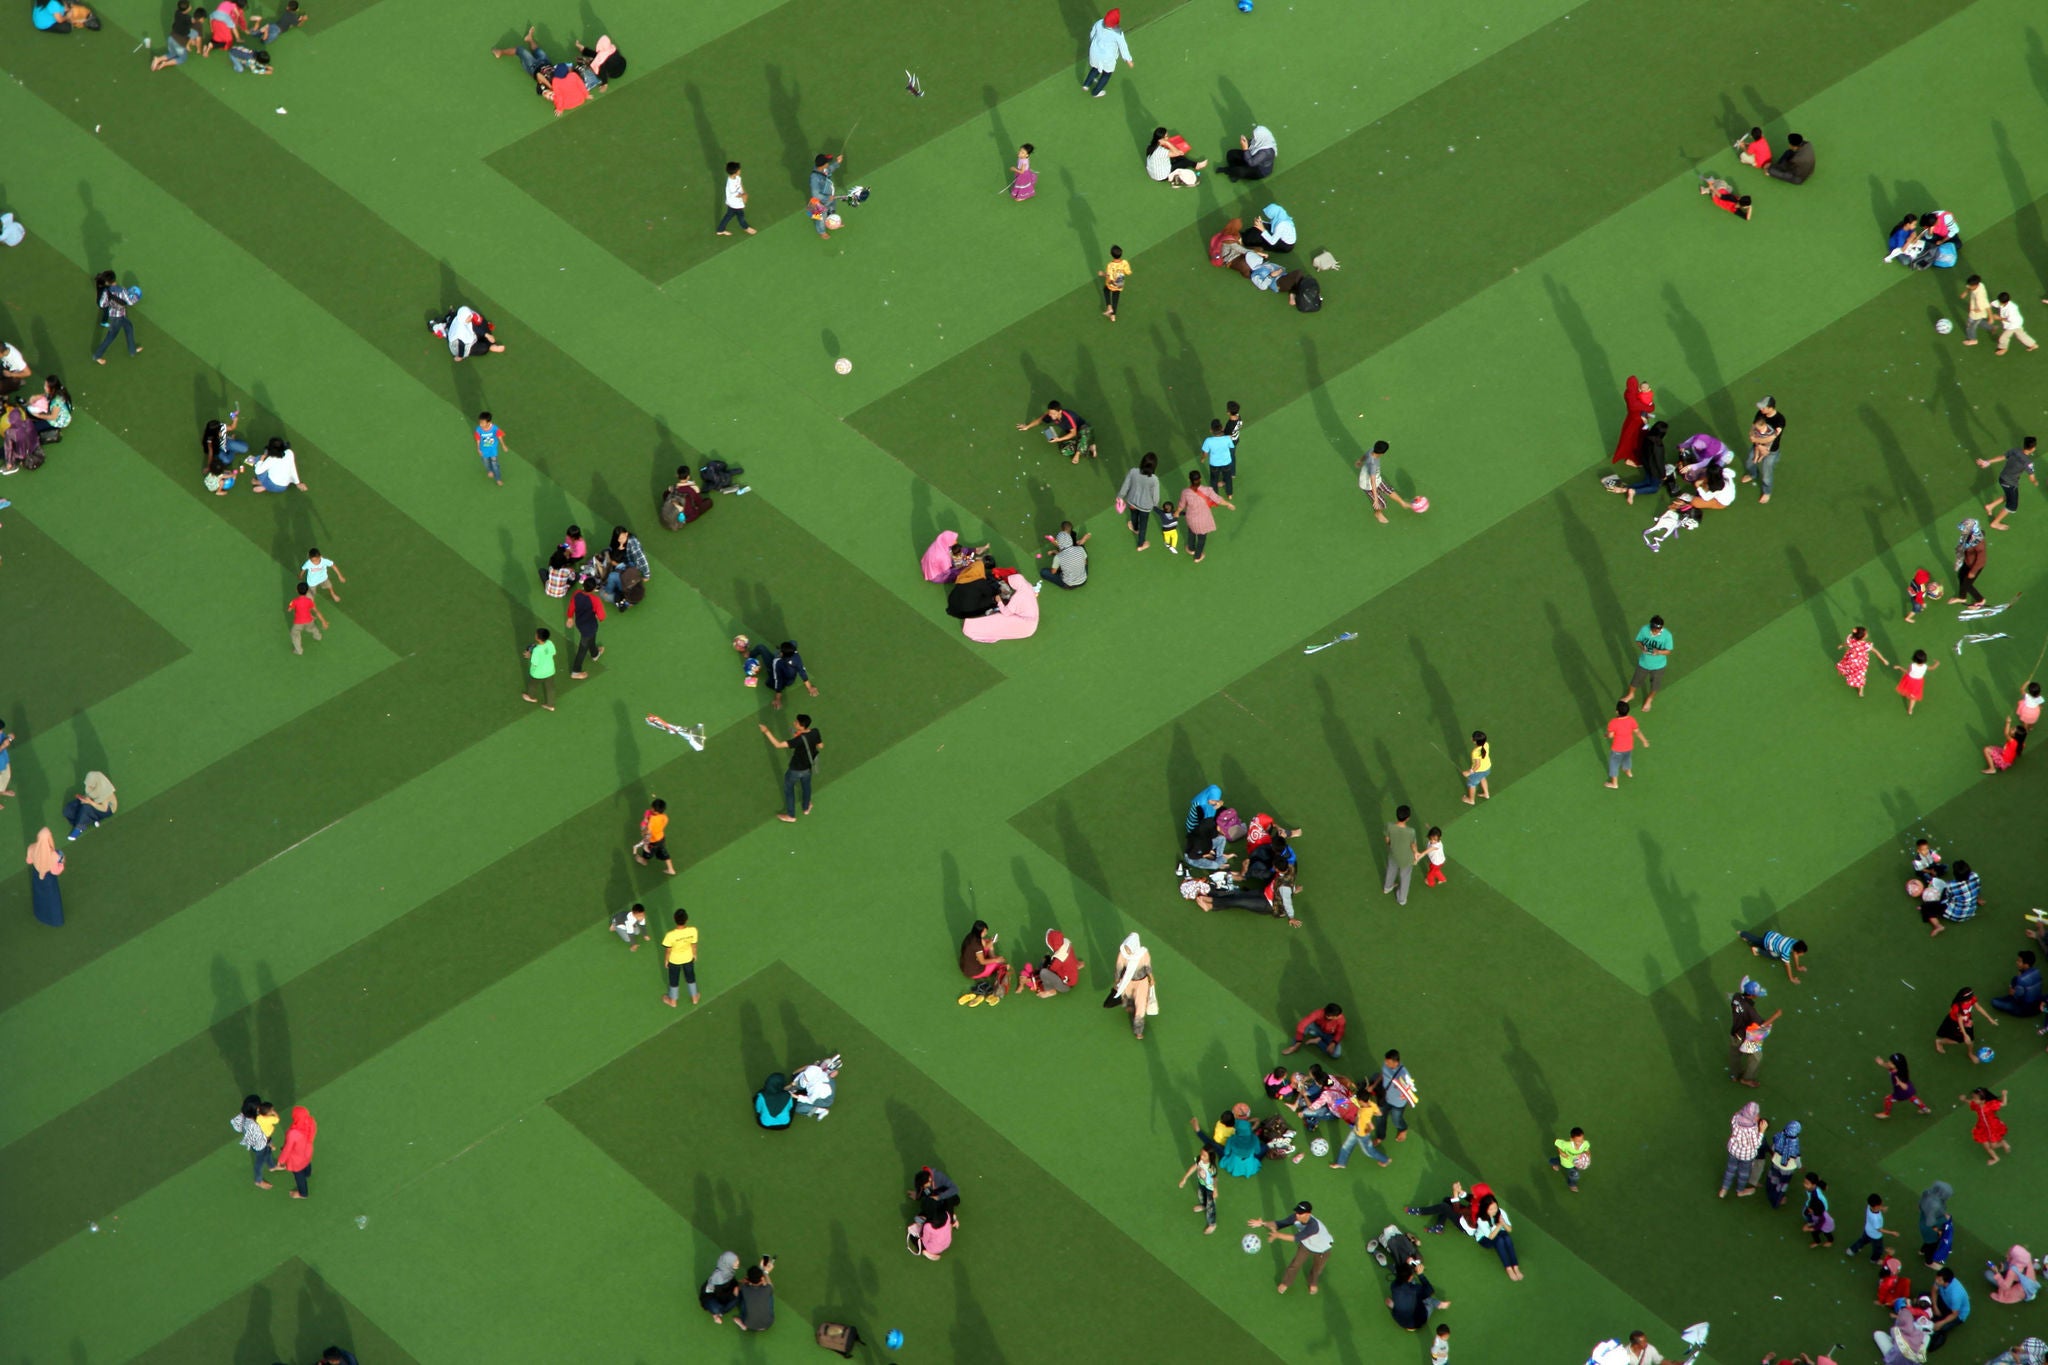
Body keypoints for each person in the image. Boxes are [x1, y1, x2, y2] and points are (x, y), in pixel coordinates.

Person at [1250, 1201, 1335, 1295]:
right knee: (1295, 1264)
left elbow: (1296, 1237)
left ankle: (1313, 1282)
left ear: (1308, 1214)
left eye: (1300, 1213)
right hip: (1306, 1245)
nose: (1297, 1215)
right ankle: (1286, 1283)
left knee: (1317, 1268)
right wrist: (1262, 1223)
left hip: (1322, 1248)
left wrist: (1278, 1235)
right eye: (1297, 1212)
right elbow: (1280, 1224)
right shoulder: (1295, 1217)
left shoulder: (1313, 1226)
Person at [760, 714, 822, 822]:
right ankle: (806, 807)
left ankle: (791, 815)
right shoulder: (815, 732)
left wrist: (766, 731)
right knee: (806, 786)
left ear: (802, 726)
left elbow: (778, 745)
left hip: (795, 770)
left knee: (789, 790)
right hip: (808, 768)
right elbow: (820, 746)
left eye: (796, 722)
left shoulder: (798, 740)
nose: (794, 723)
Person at [1978, 437, 2037, 531]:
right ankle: (1995, 523)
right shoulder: (2028, 462)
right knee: (2012, 506)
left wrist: (1988, 461)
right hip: (2010, 483)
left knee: (2009, 495)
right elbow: (2032, 477)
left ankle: (1990, 506)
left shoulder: (2015, 450)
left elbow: (2002, 457)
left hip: (2002, 478)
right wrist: (2035, 482)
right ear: (2033, 448)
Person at [1175, 468, 1233, 562]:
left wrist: (1177, 512)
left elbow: (1181, 506)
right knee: (1201, 539)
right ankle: (1197, 557)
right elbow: (1218, 499)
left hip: (1191, 519)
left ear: (1190, 480)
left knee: (1191, 533)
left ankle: (1191, 549)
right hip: (1203, 520)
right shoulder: (1207, 490)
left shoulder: (1185, 492)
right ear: (1200, 479)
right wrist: (1228, 504)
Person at [1465, 1184, 1522, 1280]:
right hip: (1484, 1239)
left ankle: (1515, 1267)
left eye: (1495, 1208)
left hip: (1498, 1231)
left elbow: (1509, 1230)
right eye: (1491, 1209)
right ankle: (1508, 1268)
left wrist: (1503, 1223)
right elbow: (1490, 1236)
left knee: (1507, 1238)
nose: (1494, 1211)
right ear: (1485, 1209)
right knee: (1499, 1240)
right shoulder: (1481, 1219)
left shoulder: (1501, 1212)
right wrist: (1499, 1225)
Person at [1015, 398, 1096, 462]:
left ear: (1060, 411)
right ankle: (1088, 447)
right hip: (1074, 435)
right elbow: (1039, 420)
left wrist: (1059, 439)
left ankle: (1078, 453)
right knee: (1064, 450)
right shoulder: (1050, 415)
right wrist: (1027, 426)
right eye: (1050, 413)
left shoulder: (1068, 417)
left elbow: (1073, 433)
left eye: (1053, 413)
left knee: (1083, 432)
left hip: (1084, 430)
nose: (1051, 415)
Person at [1355, 438, 1413, 523]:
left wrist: (1360, 460)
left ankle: (1402, 503)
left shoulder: (1372, 450)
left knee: (1388, 490)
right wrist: (1375, 499)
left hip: (1376, 479)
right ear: (1382, 453)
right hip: (1368, 485)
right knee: (1381, 503)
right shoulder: (1373, 464)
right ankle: (1378, 513)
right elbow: (1372, 481)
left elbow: (1365, 455)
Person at [1111, 932, 1155, 1040]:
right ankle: (1129, 1006)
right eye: (1126, 948)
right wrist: (1117, 981)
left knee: (1140, 1006)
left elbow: (1147, 967)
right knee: (1128, 996)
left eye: (1129, 948)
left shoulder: (1143, 954)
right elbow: (1119, 968)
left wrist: (1151, 978)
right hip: (1128, 981)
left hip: (1142, 982)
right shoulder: (1122, 954)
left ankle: (1138, 1030)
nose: (1127, 951)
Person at [1744, 396, 1788, 502]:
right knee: (1749, 463)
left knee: (1766, 475)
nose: (1761, 409)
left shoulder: (1780, 420)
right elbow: (1753, 428)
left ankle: (1767, 492)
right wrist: (1756, 442)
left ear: (1770, 408)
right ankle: (1753, 474)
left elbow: (1772, 437)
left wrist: (1756, 441)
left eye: (1763, 407)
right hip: (1757, 445)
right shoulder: (1760, 414)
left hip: (1771, 451)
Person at [230, 1096, 279, 1190]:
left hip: (259, 1142)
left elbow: (236, 1125)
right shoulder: (254, 1125)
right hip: (260, 1145)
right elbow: (262, 1139)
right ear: (257, 1109)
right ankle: (258, 1181)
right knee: (259, 1163)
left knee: (268, 1153)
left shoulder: (243, 1116)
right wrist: (269, 1143)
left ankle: (272, 1166)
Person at [1720, 1101, 1767, 1197]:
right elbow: (1756, 1144)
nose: (1758, 1116)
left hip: (1733, 1151)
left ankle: (1724, 1189)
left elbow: (1735, 1115)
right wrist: (1761, 1131)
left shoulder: (1736, 1119)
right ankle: (1740, 1191)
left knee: (1730, 1170)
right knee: (1743, 1173)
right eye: (1756, 1114)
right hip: (1746, 1156)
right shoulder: (1752, 1129)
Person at [1082, 8, 1132, 97]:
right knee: (1106, 74)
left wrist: (1092, 42)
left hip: (1094, 52)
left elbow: (1092, 34)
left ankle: (1086, 84)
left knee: (1094, 68)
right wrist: (1128, 60)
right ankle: (1095, 92)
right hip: (1107, 58)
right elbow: (1123, 47)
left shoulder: (1099, 23)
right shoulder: (1118, 33)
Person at [92, 271, 140, 364]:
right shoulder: (122, 290)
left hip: (114, 315)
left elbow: (102, 304)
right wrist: (136, 297)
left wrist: (110, 303)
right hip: (119, 318)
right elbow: (130, 302)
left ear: (107, 282)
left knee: (129, 328)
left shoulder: (106, 291)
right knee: (110, 337)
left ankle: (132, 350)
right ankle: (97, 356)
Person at [1117, 451, 1162, 549]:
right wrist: (1155, 504)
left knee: (1133, 515)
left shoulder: (1133, 471)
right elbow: (1155, 496)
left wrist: (1120, 496)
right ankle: (1141, 544)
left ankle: (1134, 527)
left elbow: (1126, 485)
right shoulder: (1154, 479)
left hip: (1132, 502)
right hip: (1146, 507)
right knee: (1144, 525)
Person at [957, 919, 1009, 1002]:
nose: (986, 933)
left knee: (988, 942)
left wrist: (991, 942)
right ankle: (998, 987)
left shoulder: (970, 936)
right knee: (1000, 965)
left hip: (965, 965)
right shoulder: (977, 946)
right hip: (973, 971)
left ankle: (993, 957)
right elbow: (982, 962)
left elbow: (984, 946)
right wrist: (996, 960)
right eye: (984, 932)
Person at [1934, 987, 1996, 1056]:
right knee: (1958, 1040)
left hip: (1967, 1020)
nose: (1970, 1001)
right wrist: (1965, 1034)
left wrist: (1989, 1018)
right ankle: (1939, 1042)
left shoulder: (1972, 999)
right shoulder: (1957, 1007)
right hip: (1956, 1023)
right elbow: (1959, 1020)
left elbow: (1978, 1007)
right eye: (1968, 1000)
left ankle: (1970, 1053)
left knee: (1971, 1039)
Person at [1023, 928, 1083, 998]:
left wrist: (1030, 979)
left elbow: (1049, 971)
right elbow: (1071, 954)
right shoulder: (1066, 942)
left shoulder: (1058, 960)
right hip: (1072, 977)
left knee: (1044, 972)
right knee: (1059, 963)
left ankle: (1050, 990)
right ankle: (1076, 965)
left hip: (1065, 986)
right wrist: (1076, 963)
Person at [271, 1105, 316, 1198]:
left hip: (296, 1158)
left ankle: (303, 1193)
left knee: (298, 1175)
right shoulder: (311, 1121)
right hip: (307, 1150)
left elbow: (287, 1149)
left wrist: (281, 1160)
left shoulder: (293, 1133)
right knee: (307, 1162)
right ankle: (307, 1173)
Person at [62, 770, 118, 840]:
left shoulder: (104, 790)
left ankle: (79, 828)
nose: (88, 787)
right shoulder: (91, 785)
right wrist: (84, 799)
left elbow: (104, 808)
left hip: (107, 810)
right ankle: (86, 820)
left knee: (86, 808)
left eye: (91, 786)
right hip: (93, 802)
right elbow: (89, 795)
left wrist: (90, 803)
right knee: (68, 810)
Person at [565, 579, 605, 677]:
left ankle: (595, 654)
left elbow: (571, 607)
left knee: (591, 638)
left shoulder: (576, 593)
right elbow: (602, 616)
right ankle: (575, 671)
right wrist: (597, 616)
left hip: (580, 623)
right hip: (590, 626)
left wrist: (570, 617)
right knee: (583, 648)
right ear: (594, 588)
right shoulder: (595, 600)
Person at [659, 908, 699, 1007]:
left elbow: (668, 950)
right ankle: (694, 998)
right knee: (690, 976)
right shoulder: (693, 930)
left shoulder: (670, 935)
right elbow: (694, 945)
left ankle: (673, 1001)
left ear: (674, 919)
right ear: (686, 919)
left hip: (674, 960)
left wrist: (666, 960)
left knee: (674, 979)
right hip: (688, 958)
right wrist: (694, 954)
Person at [1611, 376, 1655, 465]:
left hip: (1632, 418)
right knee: (1637, 439)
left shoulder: (1628, 393)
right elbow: (1650, 408)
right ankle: (1633, 459)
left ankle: (1631, 458)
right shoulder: (1634, 400)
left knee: (1629, 438)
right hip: (1637, 421)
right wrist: (1651, 404)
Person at [27, 827, 65, 927]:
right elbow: (56, 871)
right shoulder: (54, 855)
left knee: (39, 896)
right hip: (48, 878)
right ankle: (55, 919)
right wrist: (61, 862)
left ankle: (40, 913)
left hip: (37, 875)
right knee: (52, 899)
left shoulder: (33, 847)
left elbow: (29, 860)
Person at [1837, 627, 1892, 696]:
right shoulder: (1865, 645)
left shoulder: (1852, 640)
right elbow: (1875, 652)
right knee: (1860, 676)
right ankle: (1861, 691)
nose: (1867, 634)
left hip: (1851, 660)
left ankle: (1846, 672)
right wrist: (1883, 660)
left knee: (1849, 668)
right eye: (1866, 633)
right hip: (1860, 663)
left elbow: (1847, 644)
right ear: (1863, 637)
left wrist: (1841, 645)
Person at [1876, 1052, 1934, 1117]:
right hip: (1909, 1090)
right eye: (1890, 1061)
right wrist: (1882, 1063)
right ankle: (1925, 1109)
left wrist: (1900, 1083)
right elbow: (1889, 1067)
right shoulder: (1901, 1069)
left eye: (1891, 1063)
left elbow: (1905, 1087)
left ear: (1897, 1065)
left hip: (1901, 1093)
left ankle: (1886, 1114)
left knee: (1888, 1099)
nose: (1888, 1062)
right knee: (1911, 1097)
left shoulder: (1897, 1075)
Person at [1604, 699, 1646, 787]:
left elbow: (1611, 735)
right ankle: (1628, 772)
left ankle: (1614, 783)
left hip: (1617, 749)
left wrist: (1606, 735)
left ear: (1617, 711)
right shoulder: (1631, 720)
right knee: (1627, 759)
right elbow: (1637, 731)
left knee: (1614, 764)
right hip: (1629, 746)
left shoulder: (1613, 722)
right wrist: (1644, 741)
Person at [1740, 929, 1807, 984]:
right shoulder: (1785, 951)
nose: (1802, 954)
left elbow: (1795, 954)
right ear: (1796, 951)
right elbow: (1787, 965)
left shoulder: (1795, 942)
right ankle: (1757, 950)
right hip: (1768, 942)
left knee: (1760, 941)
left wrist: (1797, 967)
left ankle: (1743, 934)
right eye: (1802, 953)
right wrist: (1791, 978)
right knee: (1776, 956)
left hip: (1770, 934)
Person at [1375, 1051, 1415, 1143]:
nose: (1385, 1063)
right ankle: (1380, 1137)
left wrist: (1404, 1096)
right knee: (1380, 1118)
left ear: (1396, 1063)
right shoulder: (1385, 1066)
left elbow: (1409, 1090)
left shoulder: (1404, 1075)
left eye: (1388, 1062)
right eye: (1385, 1061)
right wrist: (1374, 1085)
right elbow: (1383, 1074)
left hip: (1398, 1103)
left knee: (1396, 1120)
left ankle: (1403, 1128)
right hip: (1385, 1098)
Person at [1382, 804, 1418, 904]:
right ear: (1408, 818)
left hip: (1393, 854)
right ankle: (1401, 899)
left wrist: (1392, 847)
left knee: (1391, 870)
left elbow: (1387, 839)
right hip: (1406, 859)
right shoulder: (1411, 831)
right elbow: (1413, 845)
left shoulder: (1389, 826)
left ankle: (1387, 887)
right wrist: (1416, 854)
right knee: (1405, 877)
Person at [1966, 1087, 2011, 1165]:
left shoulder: (1990, 1105)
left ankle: (2003, 1143)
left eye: (1975, 1098)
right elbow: (1970, 1102)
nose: (1973, 1100)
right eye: (1973, 1098)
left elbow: (2003, 1103)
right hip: (1982, 1128)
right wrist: (1964, 1099)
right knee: (1986, 1146)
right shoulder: (1976, 1105)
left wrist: (2004, 1095)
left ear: (1983, 1100)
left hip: (1992, 1128)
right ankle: (1996, 1158)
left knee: (1993, 1146)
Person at [767, 641, 818, 709]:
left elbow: (778, 680)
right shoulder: (796, 656)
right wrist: (809, 687)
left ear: (782, 653)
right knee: (793, 642)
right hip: (790, 681)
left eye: (781, 651)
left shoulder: (778, 662)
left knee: (761, 648)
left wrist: (778, 698)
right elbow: (802, 671)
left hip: (781, 680)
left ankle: (751, 655)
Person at [1930, 1267, 1972, 1349]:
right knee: (1924, 1297)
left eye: (1939, 1280)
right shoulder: (1939, 1282)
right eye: (1936, 1278)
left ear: (1946, 1282)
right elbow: (1933, 1290)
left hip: (1957, 1314)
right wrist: (1935, 1307)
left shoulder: (1955, 1295)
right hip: (1945, 1302)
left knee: (1940, 1327)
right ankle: (1937, 1316)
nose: (1936, 1281)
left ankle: (1939, 1338)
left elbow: (1955, 1314)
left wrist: (1941, 1323)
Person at [1178, 1147, 1219, 1233]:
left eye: (1204, 1155)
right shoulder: (1199, 1159)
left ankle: (1212, 1224)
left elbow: (1215, 1179)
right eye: (1201, 1153)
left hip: (1210, 1188)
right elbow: (1194, 1167)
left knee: (1210, 1206)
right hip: (1201, 1183)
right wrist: (1184, 1178)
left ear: (1209, 1157)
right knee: (1201, 1196)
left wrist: (1215, 1189)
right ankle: (1204, 1205)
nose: (1201, 1156)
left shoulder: (1211, 1167)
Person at [788, 1054, 840, 1120]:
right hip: (821, 1087)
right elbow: (802, 1069)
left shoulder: (816, 1089)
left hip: (823, 1101)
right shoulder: (816, 1071)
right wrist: (794, 1076)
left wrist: (793, 1096)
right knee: (799, 1082)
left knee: (798, 1107)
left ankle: (821, 1111)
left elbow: (810, 1100)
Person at [520, 627, 558, 710]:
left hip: (538, 673)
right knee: (550, 688)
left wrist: (529, 655)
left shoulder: (537, 650)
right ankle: (550, 705)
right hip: (550, 670)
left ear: (537, 637)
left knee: (532, 685)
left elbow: (535, 663)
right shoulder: (550, 643)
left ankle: (531, 697)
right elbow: (553, 653)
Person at [1919, 1181, 1956, 1266]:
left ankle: (1922, 1251)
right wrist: (1940, 1229)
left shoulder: (1927, 1193)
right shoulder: (1935, 1205)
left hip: (1923, 1219)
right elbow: (1930, 1223)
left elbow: (1920, 1206)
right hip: (1930, 1227)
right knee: (1932, 1245)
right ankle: (1928, 1262)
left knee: (1928, 1242)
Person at [808, 152, 844, 238]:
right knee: (820, 218)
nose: (828, 163)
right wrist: (828, 197)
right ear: (822, 165)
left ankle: (832, 222)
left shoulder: (823, 169)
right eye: (827, 162)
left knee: (831, 210)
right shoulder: (814, 178)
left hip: (830, 197)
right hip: (819, 202)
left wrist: (837, 162)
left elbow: (830, 169)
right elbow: (815, 194)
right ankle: (821, 232)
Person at [700, 1251, 742, 1322]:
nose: (738, 1262)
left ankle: (719, 1313)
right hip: (710, 1297)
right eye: (735, 1261)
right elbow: (720, 1296)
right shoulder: (719, 1278)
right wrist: (733, 1295)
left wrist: (736, 1286)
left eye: (737, 1260)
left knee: (738, 1296)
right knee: (717, 1308)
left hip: (722, 1292)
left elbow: (732, 1280)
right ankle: (716, 1314)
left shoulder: (726, 1270)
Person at [733, 1260, 775, 1332]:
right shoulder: (768, 1288)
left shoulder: (744, 1288)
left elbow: (738, 1287)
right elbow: (770, 1285)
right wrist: (765, 1272)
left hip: (749, 1324)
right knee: (770, 1296)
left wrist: (744, 1281)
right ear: (762, 1279)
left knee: (743, 1299)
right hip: (768, 1323)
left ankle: (742, 1323)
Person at [1895, 649, 1940, 716]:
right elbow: (1932, 668)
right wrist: (1937, 663)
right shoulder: (1925, 666)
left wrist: (1899, 667)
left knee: (1907, 689)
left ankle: (1908, 696)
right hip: (1918, 683)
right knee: (1913, 698)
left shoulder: (1912, 665)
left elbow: (1907, 672)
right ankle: (1910, 710)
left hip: (1909, 680)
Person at [1954, 519, 1988, 606]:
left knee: (1967, 585)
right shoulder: (1968, 537)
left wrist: (1973, 572)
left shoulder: (1978, 542)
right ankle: (1962, 597)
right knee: (1961, 576)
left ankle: (1981, 600)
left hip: (1975, 566)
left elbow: (1981, 559)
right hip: (1967, 562)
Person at [285, 584, 326, 655]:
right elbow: (316, 611)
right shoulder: (309, 601)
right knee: (313, 628)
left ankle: (299, 651)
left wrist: (289, 607)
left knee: (295, 634)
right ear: (307, 591)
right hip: (309, 620)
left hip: (298, 623)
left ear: (297, 591)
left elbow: (289, 609)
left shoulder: (294, 601)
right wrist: (323, 621)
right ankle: (318, 636)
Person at [27, 375, 71, 440]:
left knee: (34, 427)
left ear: (52, 389)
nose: (44, 387)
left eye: (46, 386)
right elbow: (46, 395)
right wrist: (36, 397)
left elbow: (53, 417)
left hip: (58, 420)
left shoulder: (56, 402)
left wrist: (39, 415)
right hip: (58, 413)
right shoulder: (57, 390)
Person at [717, 160, 754, 236]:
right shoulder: (731, 184)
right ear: (735, 172)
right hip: (734, 203)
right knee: (741, 216)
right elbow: (736, 195)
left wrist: (744, 192)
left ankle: (720, 230)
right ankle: (746, 227)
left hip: (734, 203)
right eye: (739, 170)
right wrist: (744, 196)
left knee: (729, 215)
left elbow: (740, 184)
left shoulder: (737, 177)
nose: (740, 170)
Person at [1549, 1127, 1591, 1191]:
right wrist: (1561, 1153)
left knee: (1574, 1174)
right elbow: (1557, 1143)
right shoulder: (1567, 1145)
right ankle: (1552, 1162)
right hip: (1566, 1162)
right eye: (1578, 1141)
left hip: (1576, 1163)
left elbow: (1587, 1149)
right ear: (1572, 1140)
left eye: (1582, 1140)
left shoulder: (1585, 1144)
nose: (1580, 1143)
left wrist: (1587, 1155)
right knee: (1559, 1161)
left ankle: (1572, 1184)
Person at [1098, 244, 1131, 321]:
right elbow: (1128, 272)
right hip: (1120, 283)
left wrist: (1102, 273)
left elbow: (1109, 276)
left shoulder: (1110, 265)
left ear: (1111, 254)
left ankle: (1109, 307)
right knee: (1116, 297)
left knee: (1106, 290)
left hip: (1111, 283)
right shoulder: (1124, 262)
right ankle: (1113, 316)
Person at [472, 410, 506, 486]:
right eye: (480, 422)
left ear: (489, 422)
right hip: (483, 451)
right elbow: (478, 439)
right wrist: (478, 448)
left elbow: (499, 436)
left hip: (493, 451)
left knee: (495, 465)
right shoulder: (478, 430)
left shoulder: (495, 429)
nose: (481, 424)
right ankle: (490, 471)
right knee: (486, 463)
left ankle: (498, 479)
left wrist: (503, 445)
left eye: (483, 423)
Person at [1960, 275, 1996, 345]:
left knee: (1970, 326)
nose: (1968, 286)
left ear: (1975, 285)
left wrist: (1991, 317)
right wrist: (1965, 292)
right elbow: (1969, 287)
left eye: (1970, 285)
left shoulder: (1979, 296)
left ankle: (1973, 340)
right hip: (1977, 311)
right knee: (1978, 322)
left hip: (1976, 313)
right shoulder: (1980, 285)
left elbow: (1987, 306)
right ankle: (1992, 328)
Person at [1801, 1171, 1834, 1246]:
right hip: (1815, 1205)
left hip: (1818, 1206)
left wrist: (1808, 1228)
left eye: (1807, 1183)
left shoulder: (1815, 1196)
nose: (1804, 1185)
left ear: (1814, 1185)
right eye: (1804, 1182)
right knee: (1806, 1213)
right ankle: (1811, 1221)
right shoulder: (1812, 1189)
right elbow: (1825, 1187)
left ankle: (1829, 1240)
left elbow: (1818, 1226)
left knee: (1806, 1214)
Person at [1461, 731, 1491, 803]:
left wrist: (1468, 772)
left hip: (1479, 771)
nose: (1471, 738)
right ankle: (1486, 794)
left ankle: (1471, 800)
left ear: (1475, 742)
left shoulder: (1476, 752)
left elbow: (1477, 765)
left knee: (1471, 784)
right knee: (1482, 778)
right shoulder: (1486, 744)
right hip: (1487, 768)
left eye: (1472, 738)